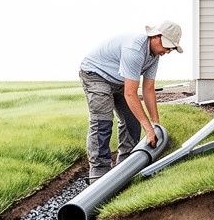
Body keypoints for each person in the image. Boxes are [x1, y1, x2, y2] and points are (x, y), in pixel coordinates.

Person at [78, 20, 183, 184]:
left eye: (171, 49)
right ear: (156, 37)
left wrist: (155, 125)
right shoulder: (134, 49)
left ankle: (125, 167)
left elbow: (148, 89)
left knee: (132, 121)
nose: (168, 52)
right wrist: (148, 129)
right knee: (103, 122)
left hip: (119, 80)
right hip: (96, 75)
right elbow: (130, 93)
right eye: (167, 47)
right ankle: (98, 176)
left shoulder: (154, 55)